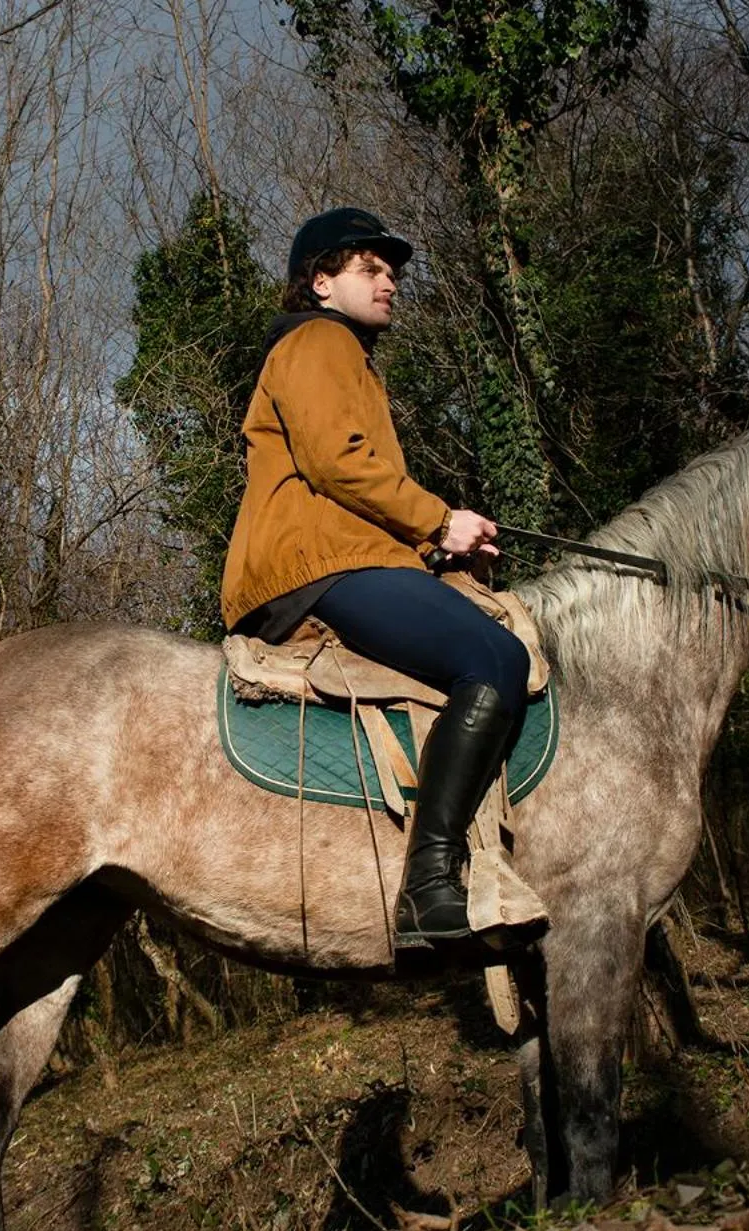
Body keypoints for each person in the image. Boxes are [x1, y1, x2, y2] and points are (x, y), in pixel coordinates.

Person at [221, 207, 535, 953]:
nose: (389, 281)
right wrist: (439, 520)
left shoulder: (343, 354)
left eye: (392, 271)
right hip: (314, 565)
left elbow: (350, 492)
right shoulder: (318, 340)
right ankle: (429, 886)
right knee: (496, 659)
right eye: (370, 268)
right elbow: (338, 462)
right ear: (321, 283)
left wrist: (438, 552)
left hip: (339, 555)